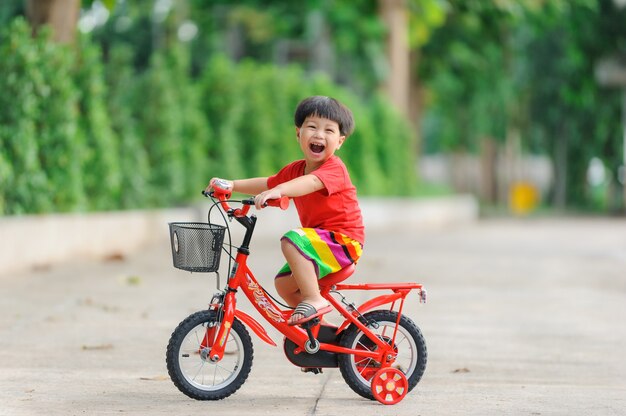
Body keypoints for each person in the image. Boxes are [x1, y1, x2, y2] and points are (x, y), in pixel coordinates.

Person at [206, 96, 364, 326]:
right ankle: (321, 334)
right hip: (319, 243)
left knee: (291, 240)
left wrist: (280, 191)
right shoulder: (295, 170)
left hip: (343, 242)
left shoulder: (334, 169)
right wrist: (232, 185)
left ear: (339, 141)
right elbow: (269, 182)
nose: (319, 135)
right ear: (298, 133)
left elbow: (309, 183)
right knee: (284, 284)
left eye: (328, 130)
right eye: (312, 127)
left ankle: (313, 299)